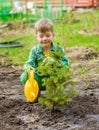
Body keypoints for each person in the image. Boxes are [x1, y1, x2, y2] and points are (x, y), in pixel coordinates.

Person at [20, 18, 69, 90]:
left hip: (54, 78)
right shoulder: (35, 51)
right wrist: (28, 67)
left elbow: (66, 64)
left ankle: (54, 93)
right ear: (36, 36)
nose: (44, 38)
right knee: (24, 76)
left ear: (53, 35)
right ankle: (35, 91)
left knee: (64, 74)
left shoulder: (58, 49)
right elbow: (29, 63)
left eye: (48, 35)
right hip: (40, 78)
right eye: (41, 36)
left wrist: (55, 62)